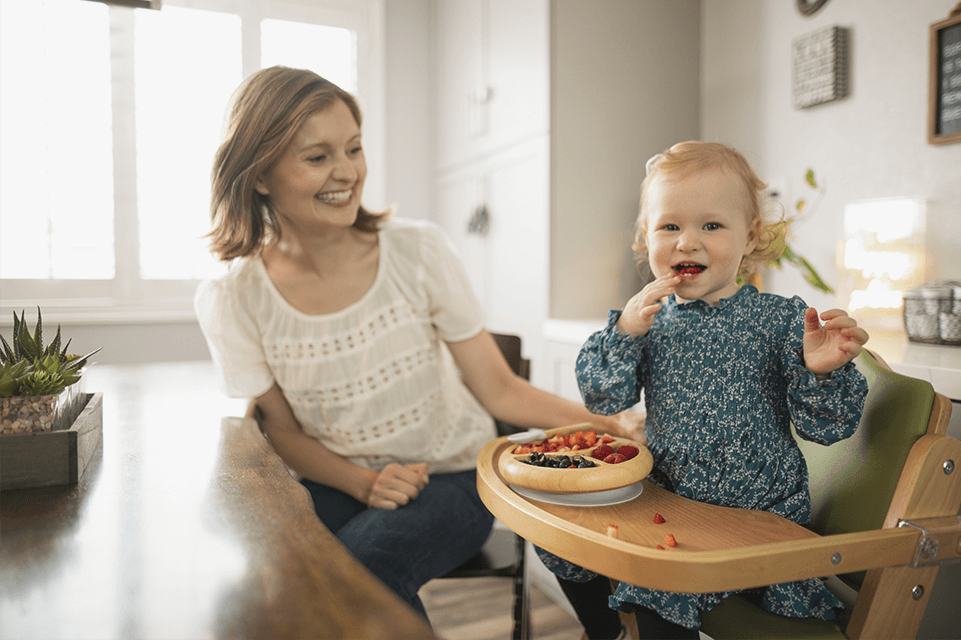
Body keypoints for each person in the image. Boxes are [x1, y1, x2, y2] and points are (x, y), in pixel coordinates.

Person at [194, 66, 643, 620]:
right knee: (273, 587)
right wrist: (364, 482)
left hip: (451, 477)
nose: (347, 172)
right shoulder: (233, 297)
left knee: (360, 575)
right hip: (337, 481)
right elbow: (283, 433)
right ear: (260, 175)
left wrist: (608, 426)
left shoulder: (417, 251)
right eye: (317, 157)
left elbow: (499, 390)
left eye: (353, 149)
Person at [536, 141, 869, 639]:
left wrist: (820, 370)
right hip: (671, 499)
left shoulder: (779, 321)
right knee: (559, 541)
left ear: (750, 234)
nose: (686, 242)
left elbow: (828, 427)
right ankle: (610, 632)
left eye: (710, 225)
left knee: (658, 590)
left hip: (758, 512)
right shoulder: (648, 324)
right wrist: (624, 334)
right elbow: (604, 399)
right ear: (646, 237)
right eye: (669, 226)